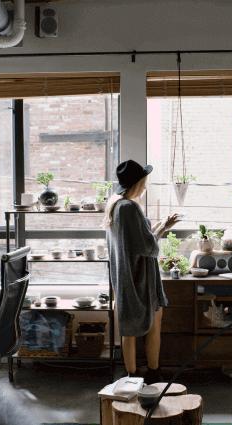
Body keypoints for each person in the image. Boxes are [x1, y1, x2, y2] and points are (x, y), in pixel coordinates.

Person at [103, 159, 180, 383]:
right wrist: (163, 230)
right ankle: (154, 373)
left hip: (125, 279)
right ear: (137, 183)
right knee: (154, 326)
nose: (145, 187)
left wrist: (161, 225)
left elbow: (139, 238)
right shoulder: (131, 207)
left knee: (128, 329)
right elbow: (148, 247)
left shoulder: (115, 206)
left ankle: (131, 377)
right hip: (141, 279)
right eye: (144, 182)